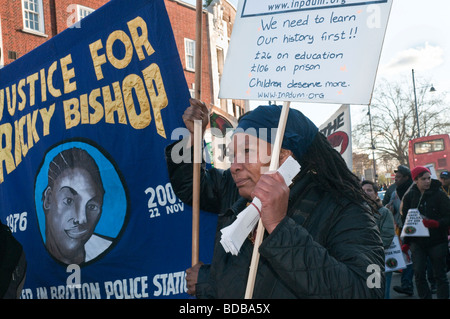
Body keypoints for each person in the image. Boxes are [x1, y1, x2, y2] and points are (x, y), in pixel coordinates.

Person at [165, 99, 385, 298]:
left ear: (283, 156)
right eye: (232, 156)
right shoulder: (239, 191)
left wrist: (280, 227)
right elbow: (191, 186)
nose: (234, 166)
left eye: (247, 151)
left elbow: (366, 291)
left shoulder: (346, 211)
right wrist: (193, 139)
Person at [41, 148, 110, 264]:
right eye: (69, 201)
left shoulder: (115, 258)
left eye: (92, 207)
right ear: (48, 199)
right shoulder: (22, 258)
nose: (82, 219)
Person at [401, 166, 450, 299]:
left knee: (439, 274)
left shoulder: (439, 194)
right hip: (417, 242)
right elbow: (406, 221)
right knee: (418, 274)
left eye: (429, 178)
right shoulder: (410, 196)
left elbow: (448, 216)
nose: (427, 181)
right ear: (416, 180)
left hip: (437, 241)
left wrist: (436, 223)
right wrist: (406, 242)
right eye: (424, 179)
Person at [361, 180, 395, 298]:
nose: (366, 193)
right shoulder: (356, 212)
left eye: (369, 190)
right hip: (361, 260)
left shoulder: (384, 212)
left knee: (380, 293)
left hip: (378, 260)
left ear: (376, 194)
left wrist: (371, 250)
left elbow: (388, 235)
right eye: (363, 190)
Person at [387, 165, 415, 296]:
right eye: (395, 177)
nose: (395, 179)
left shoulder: (415, 190)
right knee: (408, 257)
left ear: (406, 177)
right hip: (402, 229)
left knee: (419, 256)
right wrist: (389, 208)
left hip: (416, 229)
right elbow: (390, 208)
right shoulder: (395, 192)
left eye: (398, 177)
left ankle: (433, 281)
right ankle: (407, 285)